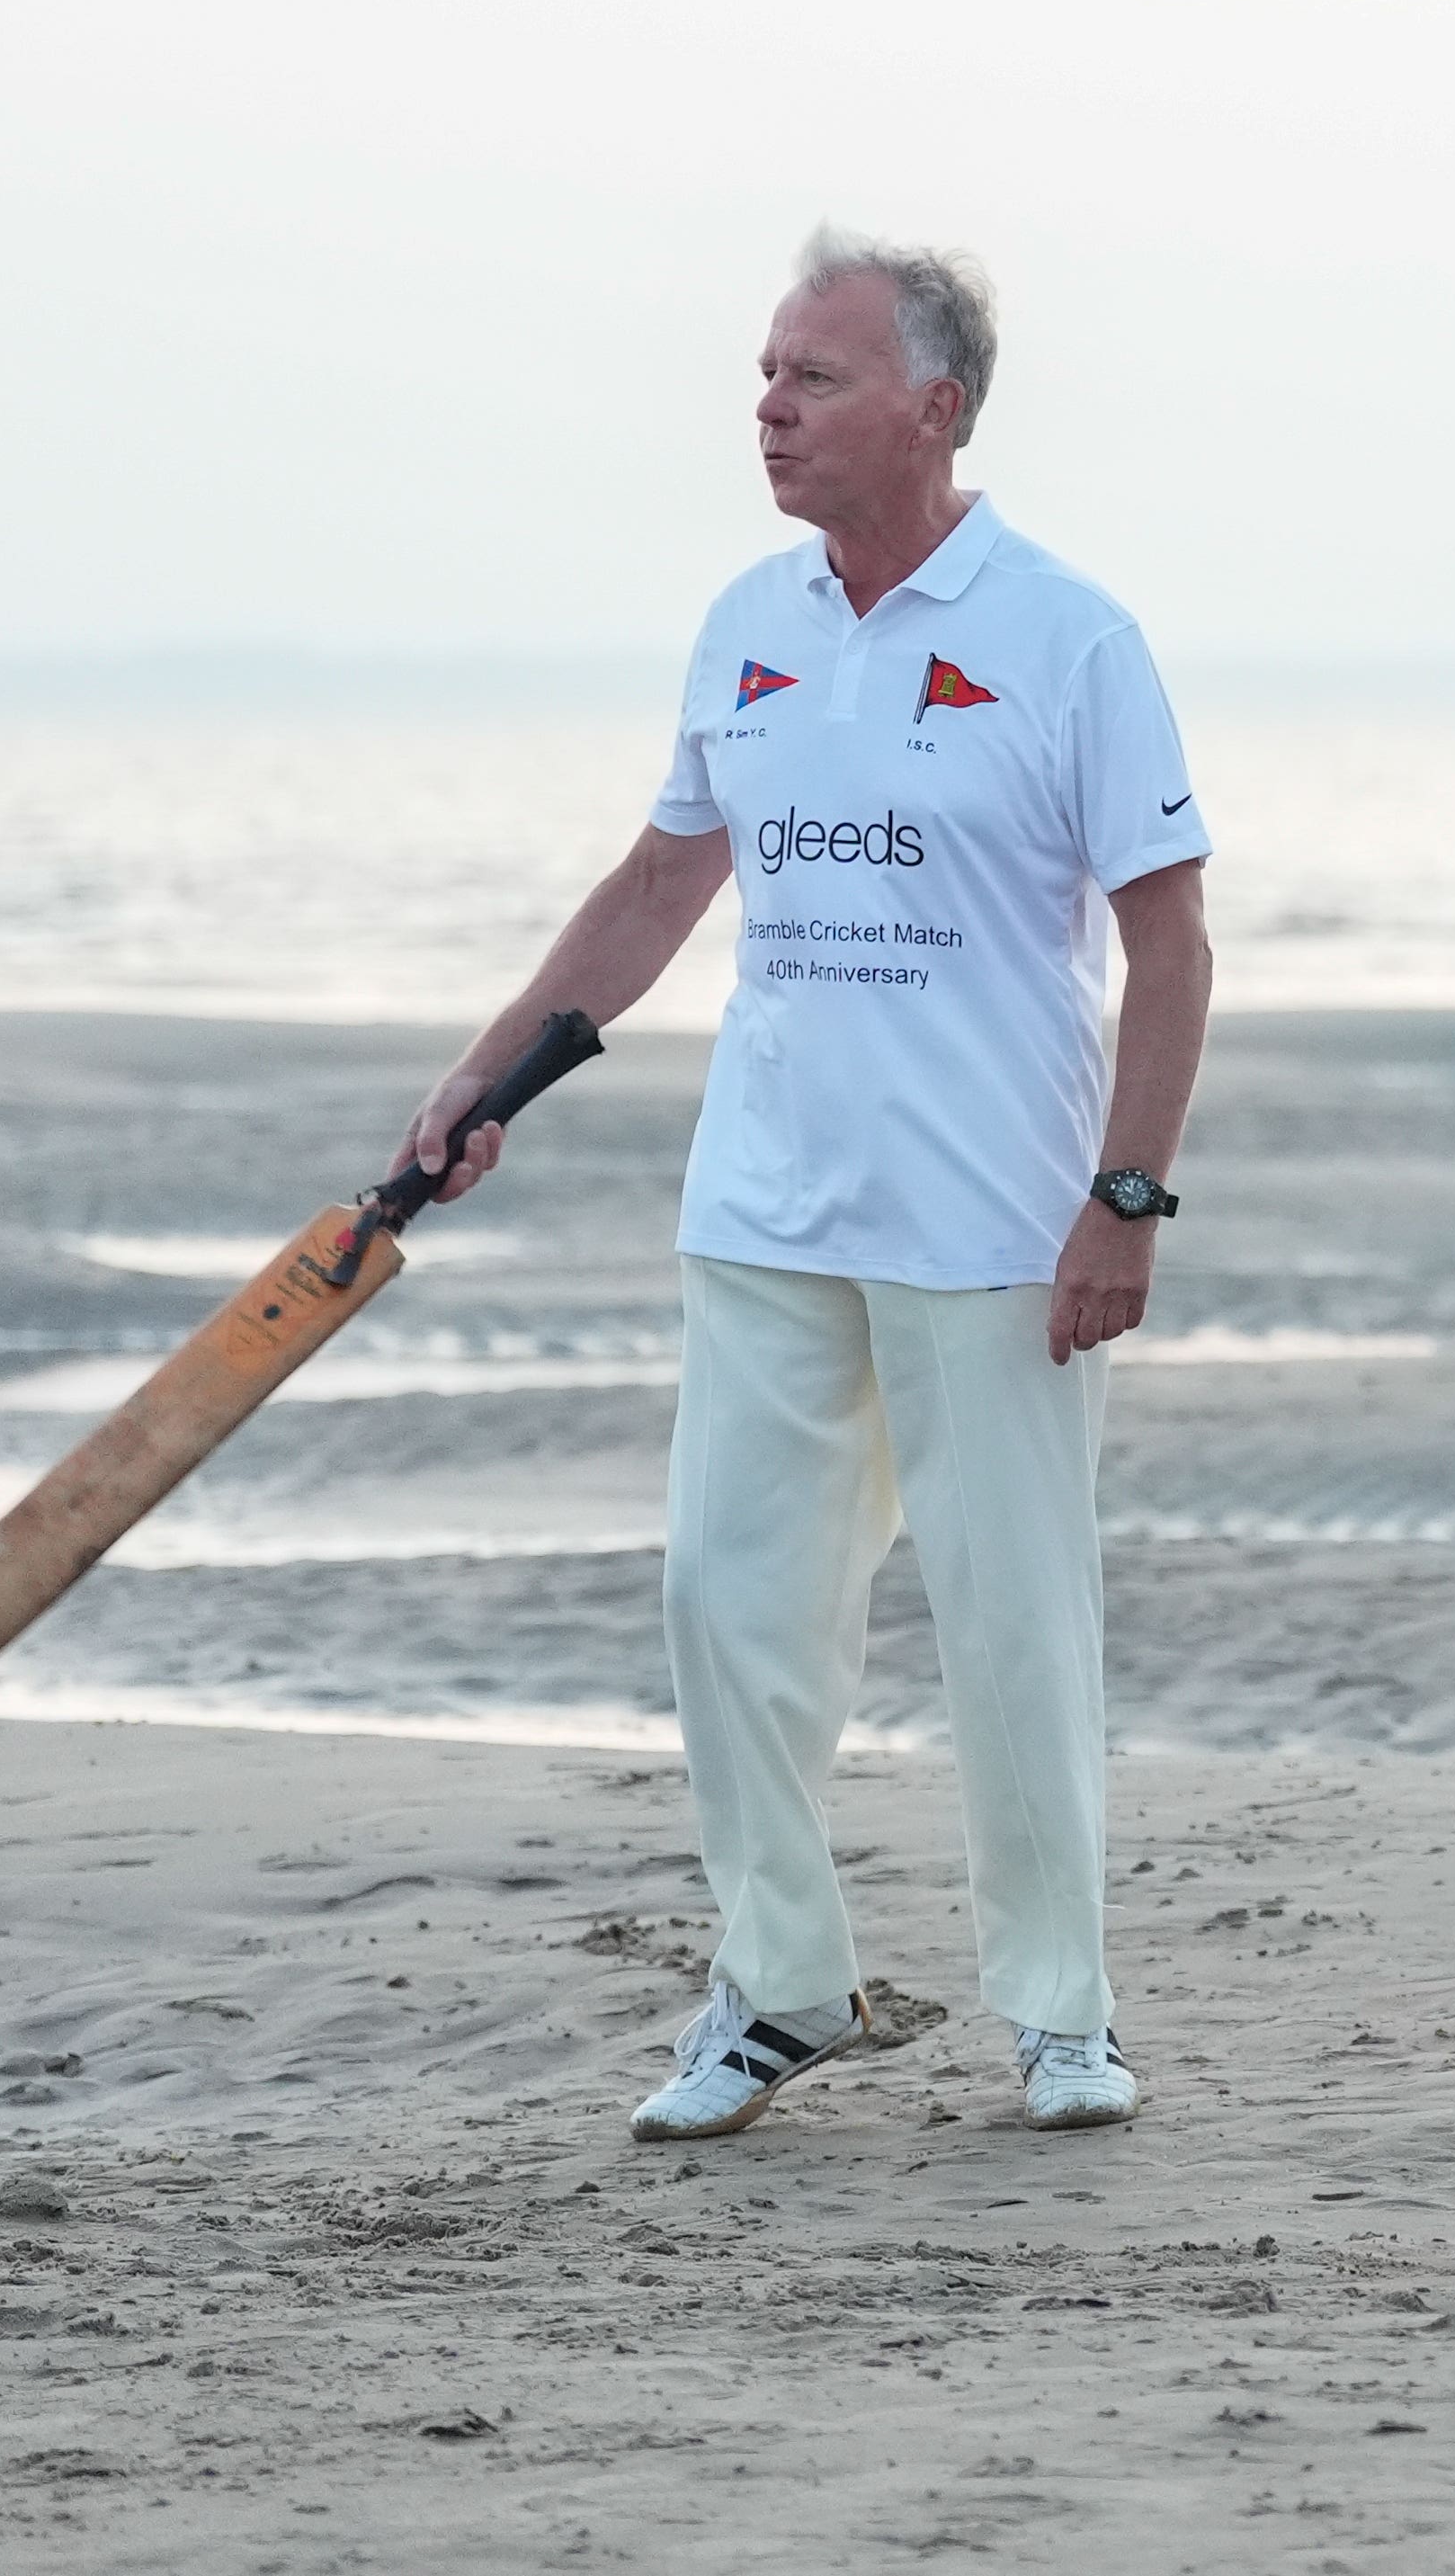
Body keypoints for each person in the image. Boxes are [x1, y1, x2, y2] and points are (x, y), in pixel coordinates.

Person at [405, 228, 1215, 2143]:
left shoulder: (1067, 633)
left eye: (814, 378)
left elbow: (1169, 948)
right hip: (767, 1206)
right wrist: (492, 1060)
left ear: (936, 407)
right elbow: (663, 884)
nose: (768, 405)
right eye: (765, 374)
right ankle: (775, 1984)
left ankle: (1062, 2008)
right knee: (723, 1601)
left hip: (995, 1225)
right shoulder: (747, 620)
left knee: (1013, 1625)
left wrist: (1129, 1197)